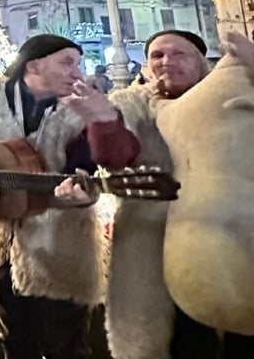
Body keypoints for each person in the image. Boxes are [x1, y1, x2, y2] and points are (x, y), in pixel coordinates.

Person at [0, 33, 139, 359]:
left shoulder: (80, 109)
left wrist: (100, 126)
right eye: (66, 62)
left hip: (62, 245)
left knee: (66, 344)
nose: (77, 72)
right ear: (35, 64)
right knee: (14, 340)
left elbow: (99, 161)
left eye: (78, 64)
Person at [88, 29, 254, 359]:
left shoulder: (237, 91)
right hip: (155, 243)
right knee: (181, 340)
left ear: (202, 62)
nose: (167, 62)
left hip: (238, 237)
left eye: (179, 54)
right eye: (157, 56)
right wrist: (102, 120)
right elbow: (115, 157)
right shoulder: (133, 107)